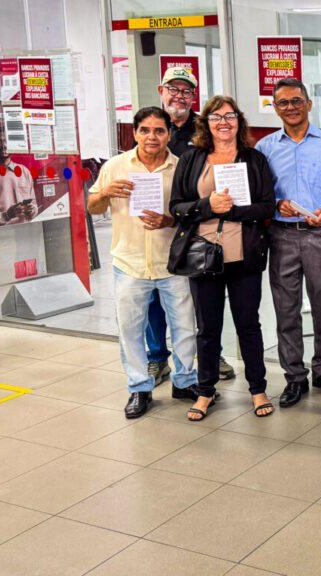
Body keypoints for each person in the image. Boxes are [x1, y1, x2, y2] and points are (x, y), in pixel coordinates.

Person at [168, 95, 276, 421]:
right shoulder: (191, 158)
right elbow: (176, 207)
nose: (223, 122)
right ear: (206, 123)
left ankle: (257, 389)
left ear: (239, 121)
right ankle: (205, 391)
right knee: (207, 328)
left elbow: (267, 206)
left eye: (230, 116)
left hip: (244, 256)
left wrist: (232, 211)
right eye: (216, 117)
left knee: (248, 325)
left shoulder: (254, 159)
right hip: (203, 256)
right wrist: (207, 206)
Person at [86, 106, 198, 419]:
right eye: (145, 130)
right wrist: (105, 192)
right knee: (130, 331)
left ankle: (185, 381)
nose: (152, 137)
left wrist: (169, 220)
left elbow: (193, 213)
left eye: (159, 131)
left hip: (173, 263)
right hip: (130, 264)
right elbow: (93, 207)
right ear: (135, 133)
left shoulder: (182, 168)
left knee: (185, 328)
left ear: (169, 134)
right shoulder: (115, 166)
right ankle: (139, 387)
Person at [255, 78, 321, 408]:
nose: (291, 107)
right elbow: (257, 195)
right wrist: (275, 204)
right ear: (275, 108)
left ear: (309, 104)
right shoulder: (265, 148)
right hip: (281, 235)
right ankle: (294, 376)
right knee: (286, 309)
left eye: (297, 101)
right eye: (283, 102)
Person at [146, 67, 235, 386]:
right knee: (154, 297)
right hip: (155, 226)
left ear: (193, 97)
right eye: (173, 89)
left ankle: (210, 354)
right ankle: (157, 358)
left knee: (200, 299)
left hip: (196, 226)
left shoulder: (204, 128)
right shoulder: (152, 125)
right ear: (161, 91)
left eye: (186, 91)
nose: (179, 96)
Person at [0, 127, 37, 226]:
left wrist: (33, 210)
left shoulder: (24, 171)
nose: (4, 146)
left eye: (8, 141)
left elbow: (34, 204)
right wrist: (7, 215)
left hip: (26, 230)